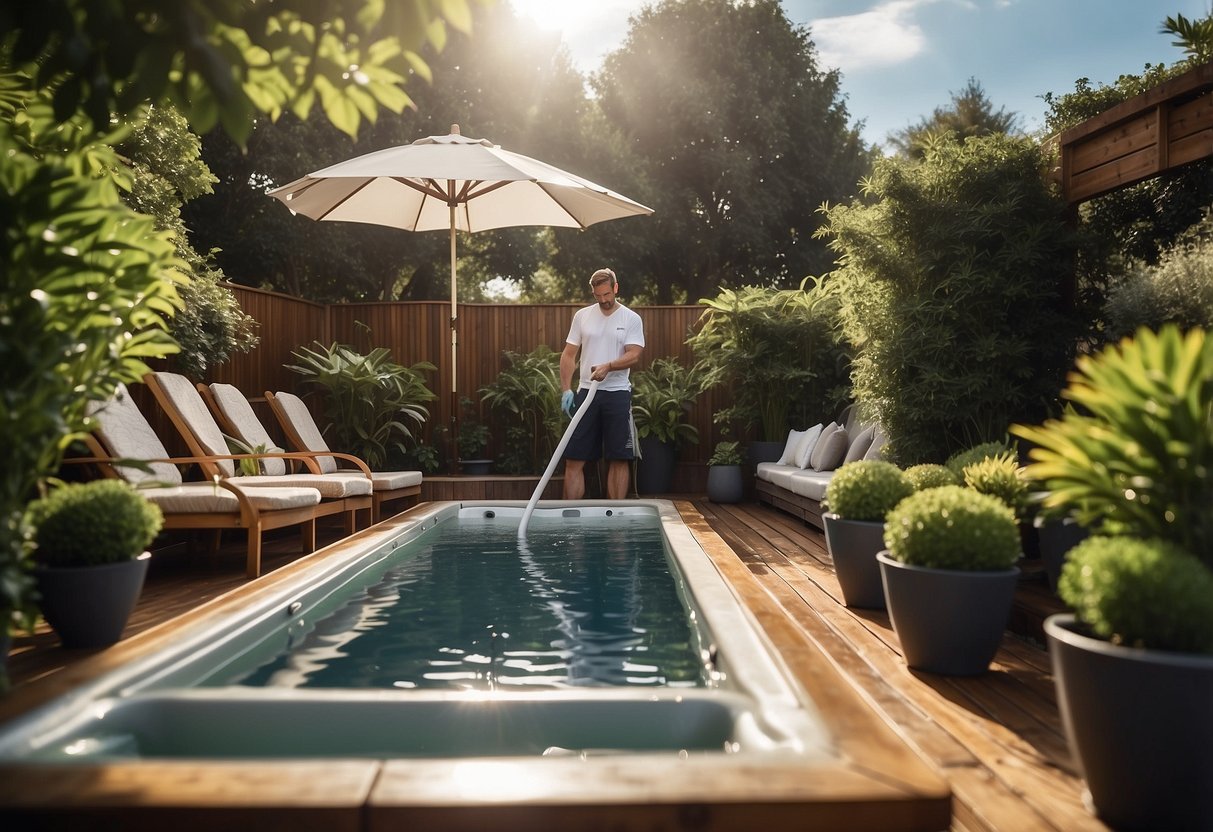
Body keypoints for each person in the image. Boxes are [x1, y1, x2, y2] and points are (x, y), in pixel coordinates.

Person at [559, 268, 645, 499]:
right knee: (574, 458)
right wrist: (566, 389)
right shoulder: (582, 316)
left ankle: (615, 518)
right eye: (598, 296)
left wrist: (609, 366)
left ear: (615, 288)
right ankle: (570, 516)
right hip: (586, 393)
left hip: (616, 393)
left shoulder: (630, 318)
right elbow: (568, 355)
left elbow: (634, 354)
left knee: (618, 457)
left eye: (607, 294)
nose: (604, 300)